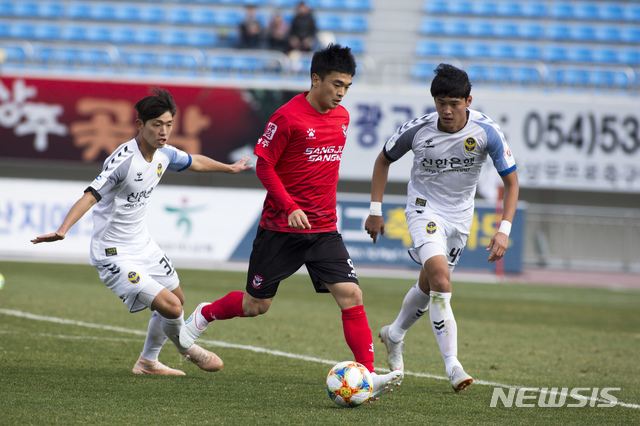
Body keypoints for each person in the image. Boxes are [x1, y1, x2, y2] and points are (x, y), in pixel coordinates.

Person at [180, 44, 403, 402]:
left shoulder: (342, 117)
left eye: (347, 85)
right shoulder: (286, 117)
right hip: (281, 229)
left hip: (324, 229)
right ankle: (205, 314)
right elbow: (264, 164)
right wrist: (288, 206)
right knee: (256, 306)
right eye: (335, 84)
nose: (341, 92)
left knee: (351, 295)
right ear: (315, 79)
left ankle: (367, 376)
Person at [31, 88, 253, 376]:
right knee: (172, 309)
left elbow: (193, 160)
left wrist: (228, 169)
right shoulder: (123, 161)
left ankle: (148, 362)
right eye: (157, 125)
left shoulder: (164, 154)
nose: (164, 131)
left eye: (169, 124)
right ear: (140, 125)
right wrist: (62, 230)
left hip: (142, 243)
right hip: (113, 252)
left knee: (178, 300)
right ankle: (187, 347)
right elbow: (89, 195)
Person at [364, 64, 519, 392]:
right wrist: (375, 210)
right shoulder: (418, 130)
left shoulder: (486, 131)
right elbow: (383, 160)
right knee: (440, 278)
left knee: (427, 286)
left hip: (461, 216)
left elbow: (511, 180)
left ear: (468, 100)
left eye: (454, 103)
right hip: (424, 208)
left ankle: (394, 334)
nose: (446, 110)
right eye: (440, 103)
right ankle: (453, 366)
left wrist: (504, 229)